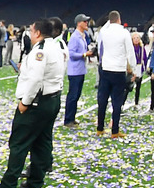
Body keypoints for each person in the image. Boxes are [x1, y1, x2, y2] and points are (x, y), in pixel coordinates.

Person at [0, 18, 65, 188]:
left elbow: (36, 79)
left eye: (31, 30)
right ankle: (35, 182)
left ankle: (8, 185)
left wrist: (25, 102)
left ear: (37, 33)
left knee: (19, 143)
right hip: (52, 99)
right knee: (42, 142)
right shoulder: (56, 47)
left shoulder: (41, 51)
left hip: (37, 102)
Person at [96, 10, 135, 138]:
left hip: (105, 69)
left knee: (102, 100)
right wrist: (132, 68)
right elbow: (130, 52)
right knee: (117, 101)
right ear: (119, 20)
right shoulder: (124, 32)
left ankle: (100, 128)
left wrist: (111, 20)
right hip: (118, 70)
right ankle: (115, 130)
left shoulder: (104, 31)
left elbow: (107, 25)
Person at [63, 14, 93, 127]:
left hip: (80, 70)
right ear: (79, 23)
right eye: (85, 21)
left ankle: (72, 117)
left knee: (77, 95)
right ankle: (68, 119)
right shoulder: (75, 36)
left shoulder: (83, 35)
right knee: (73, 95)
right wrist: (84, 54)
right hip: (74, 70)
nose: (87, 23)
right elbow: (71, 53)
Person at [127, 31, 148, 111]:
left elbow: (144, 58)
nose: (136, 40)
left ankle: (136, 103)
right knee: (128, 87)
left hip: (139, 68)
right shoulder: (130, 48)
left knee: (138, 87)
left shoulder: (141, 48)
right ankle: (122, 103)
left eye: (137, 38)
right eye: (134, 38)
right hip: (132, 69)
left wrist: (145, 67)